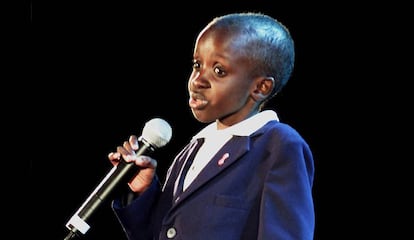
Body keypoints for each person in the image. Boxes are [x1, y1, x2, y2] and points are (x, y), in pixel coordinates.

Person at [108, 12, 315, 240]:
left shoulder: (278, 145)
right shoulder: (191, 150)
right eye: (197, 65)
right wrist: (144, 192)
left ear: (260, 88)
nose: (197, 80)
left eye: (219, 71)